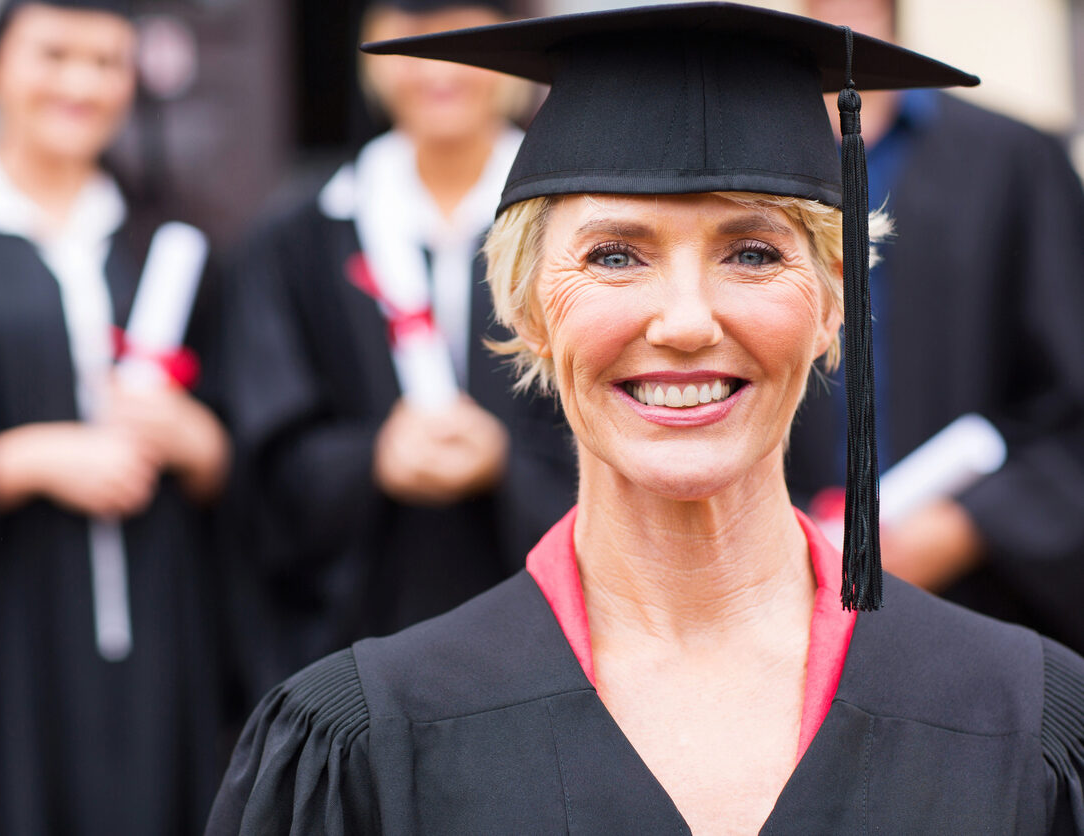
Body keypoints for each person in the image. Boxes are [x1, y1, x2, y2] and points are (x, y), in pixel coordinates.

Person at [208, 4, 1084, 833]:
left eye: (751, 252)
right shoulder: (364, 744)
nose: (685, 321)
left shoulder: (1021, 724)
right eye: (614, 256)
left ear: (832, 305)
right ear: (524, 310)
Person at [0, 1, 230, 832]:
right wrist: (17, 461)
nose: (80, 83)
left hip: (163, 614)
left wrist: (199, 442)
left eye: (106, 61)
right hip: (3, 632)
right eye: (54, 55)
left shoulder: (169, 238)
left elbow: (245, 433)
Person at [222, 0, 577, 698]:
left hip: (552, 638)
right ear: (369, 48)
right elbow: (263, 453)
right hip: (359, 640)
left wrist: (507, 463)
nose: (437, 61)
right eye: (411, 31)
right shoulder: (297, 239)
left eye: (464, 29)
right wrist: (370, 460)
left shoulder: (577, 228)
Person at [790, 0, 1084, 655]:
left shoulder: (1010, 160)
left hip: (989, 593)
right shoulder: (756, 165)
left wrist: (966, 525)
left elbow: (1070, 397)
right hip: (791, 592)